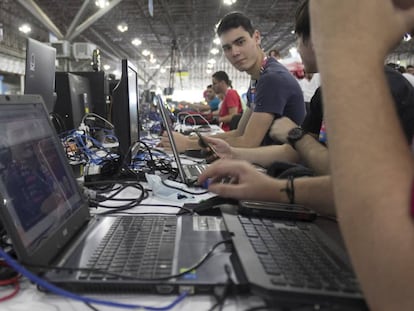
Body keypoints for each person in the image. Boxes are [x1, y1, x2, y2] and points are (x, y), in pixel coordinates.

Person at [198, 0, 414, 217]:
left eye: (299, 39)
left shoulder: (382, 89)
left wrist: (295, 136)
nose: (298, 49)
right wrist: (234, 153)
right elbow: (292, 153)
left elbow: (353, 183)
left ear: (318, 39)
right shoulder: (327, 93)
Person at [160, 12, 305, 152]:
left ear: (256, 37)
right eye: (227, 48)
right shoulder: (258, 77)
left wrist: (188, 144)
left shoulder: (272, 78)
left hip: (281, 171)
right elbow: (238, 133)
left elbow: (248, 143)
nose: (234, 52)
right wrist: (193, 139)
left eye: (240, 42)